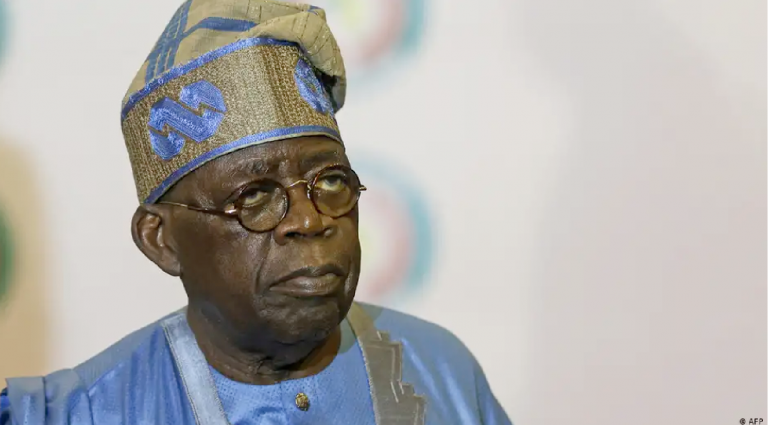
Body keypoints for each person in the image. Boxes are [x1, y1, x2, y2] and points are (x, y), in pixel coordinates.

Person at [0, 1, 512, 424]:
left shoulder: (442, 373)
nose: (309, 220)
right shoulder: (83, 413)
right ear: (161, 238)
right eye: (255, 197)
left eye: (331, 182)